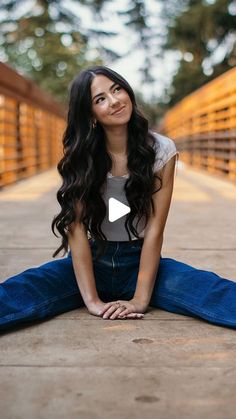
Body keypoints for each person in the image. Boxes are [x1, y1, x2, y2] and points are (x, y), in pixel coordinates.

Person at [0, 65, 236, 332]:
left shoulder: (161, 150)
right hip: (91, 261)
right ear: (90, 114)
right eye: (100, 99)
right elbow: (75, 228)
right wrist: (92, 301)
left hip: (142, 263)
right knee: (23, 289)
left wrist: (139, 299)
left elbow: (155, 228)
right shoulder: (82, 154)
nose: (114, 101)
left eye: (116, 89)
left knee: (213, 291)